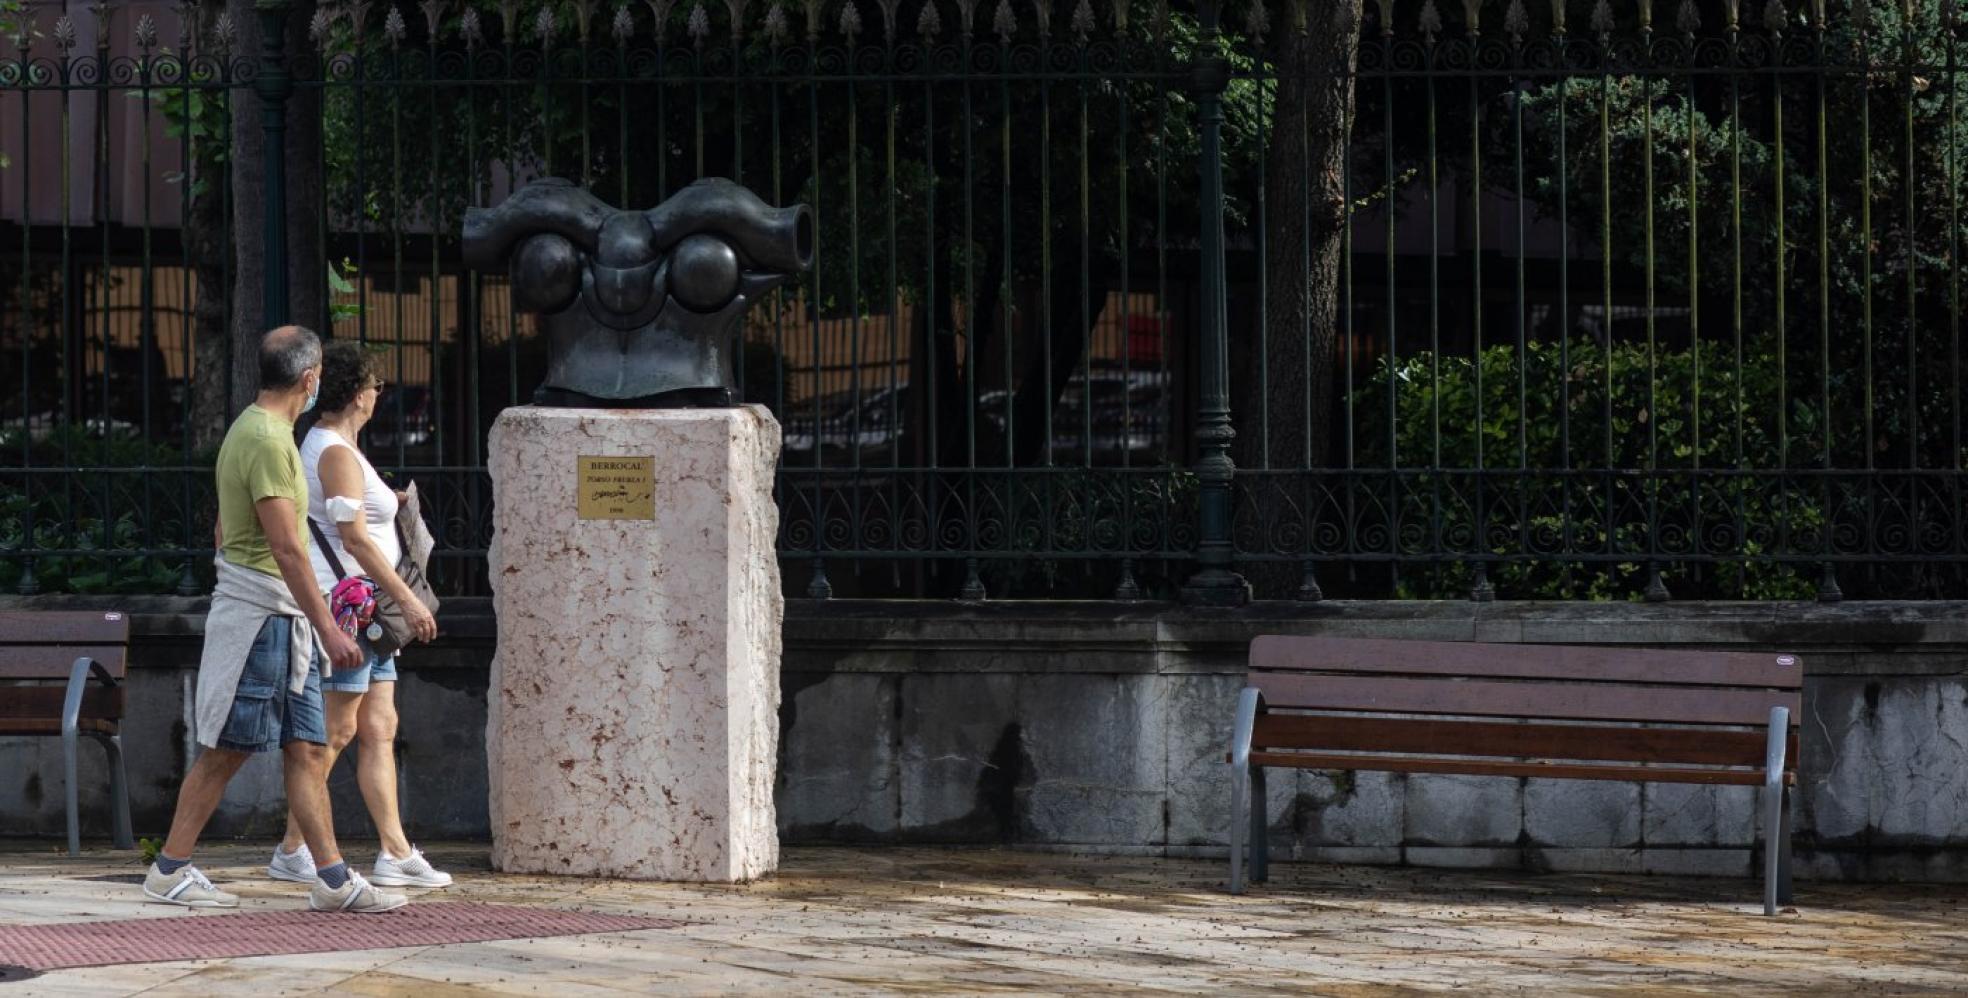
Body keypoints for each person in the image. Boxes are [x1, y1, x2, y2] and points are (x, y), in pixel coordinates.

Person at [141, 326, 409, 914]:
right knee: (227, 750)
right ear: (309, 378)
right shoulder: (265, 439)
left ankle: (334, 879)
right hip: (264, 620)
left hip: (281, 620)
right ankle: (169, 869)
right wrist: (331, 628)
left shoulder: (260, 431)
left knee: (310, 749)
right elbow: (287, 548)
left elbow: (223, 530)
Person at [265, 341, 451, 890]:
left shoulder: (341, 448)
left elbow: (351, 517)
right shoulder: (333, 452)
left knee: (377, 726)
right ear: (358, 395)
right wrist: (412, 600)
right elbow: (355, 540)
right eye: (374, 386)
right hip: (354, 612)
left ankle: (394, 851)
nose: (378, 395)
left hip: (369, 615)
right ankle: (293, 847)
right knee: (338, 731)